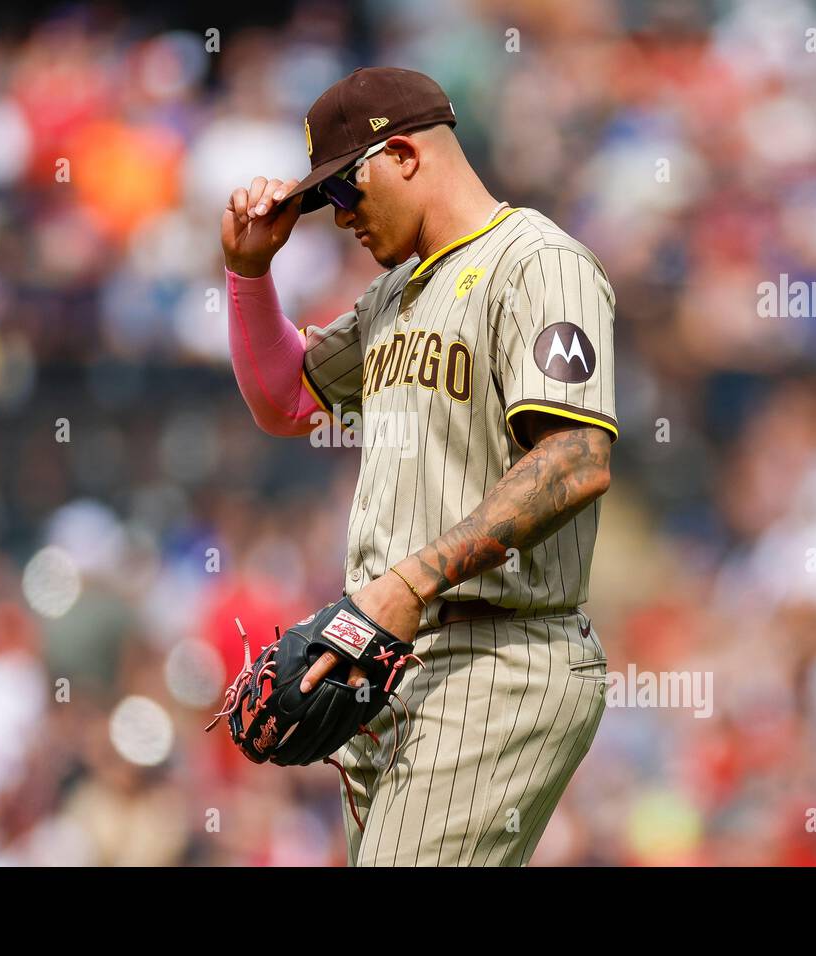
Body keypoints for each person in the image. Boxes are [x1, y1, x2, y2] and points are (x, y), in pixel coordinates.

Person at [220, 67, 616, 866]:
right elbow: (284, 400)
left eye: (343, 192)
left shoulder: (537, 262)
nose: (337, 219)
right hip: (390, 664)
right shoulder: (392, 296)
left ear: (401, 154)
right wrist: (250, 274)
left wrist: (407, 584)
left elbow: (576, 459)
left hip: (499, 654)